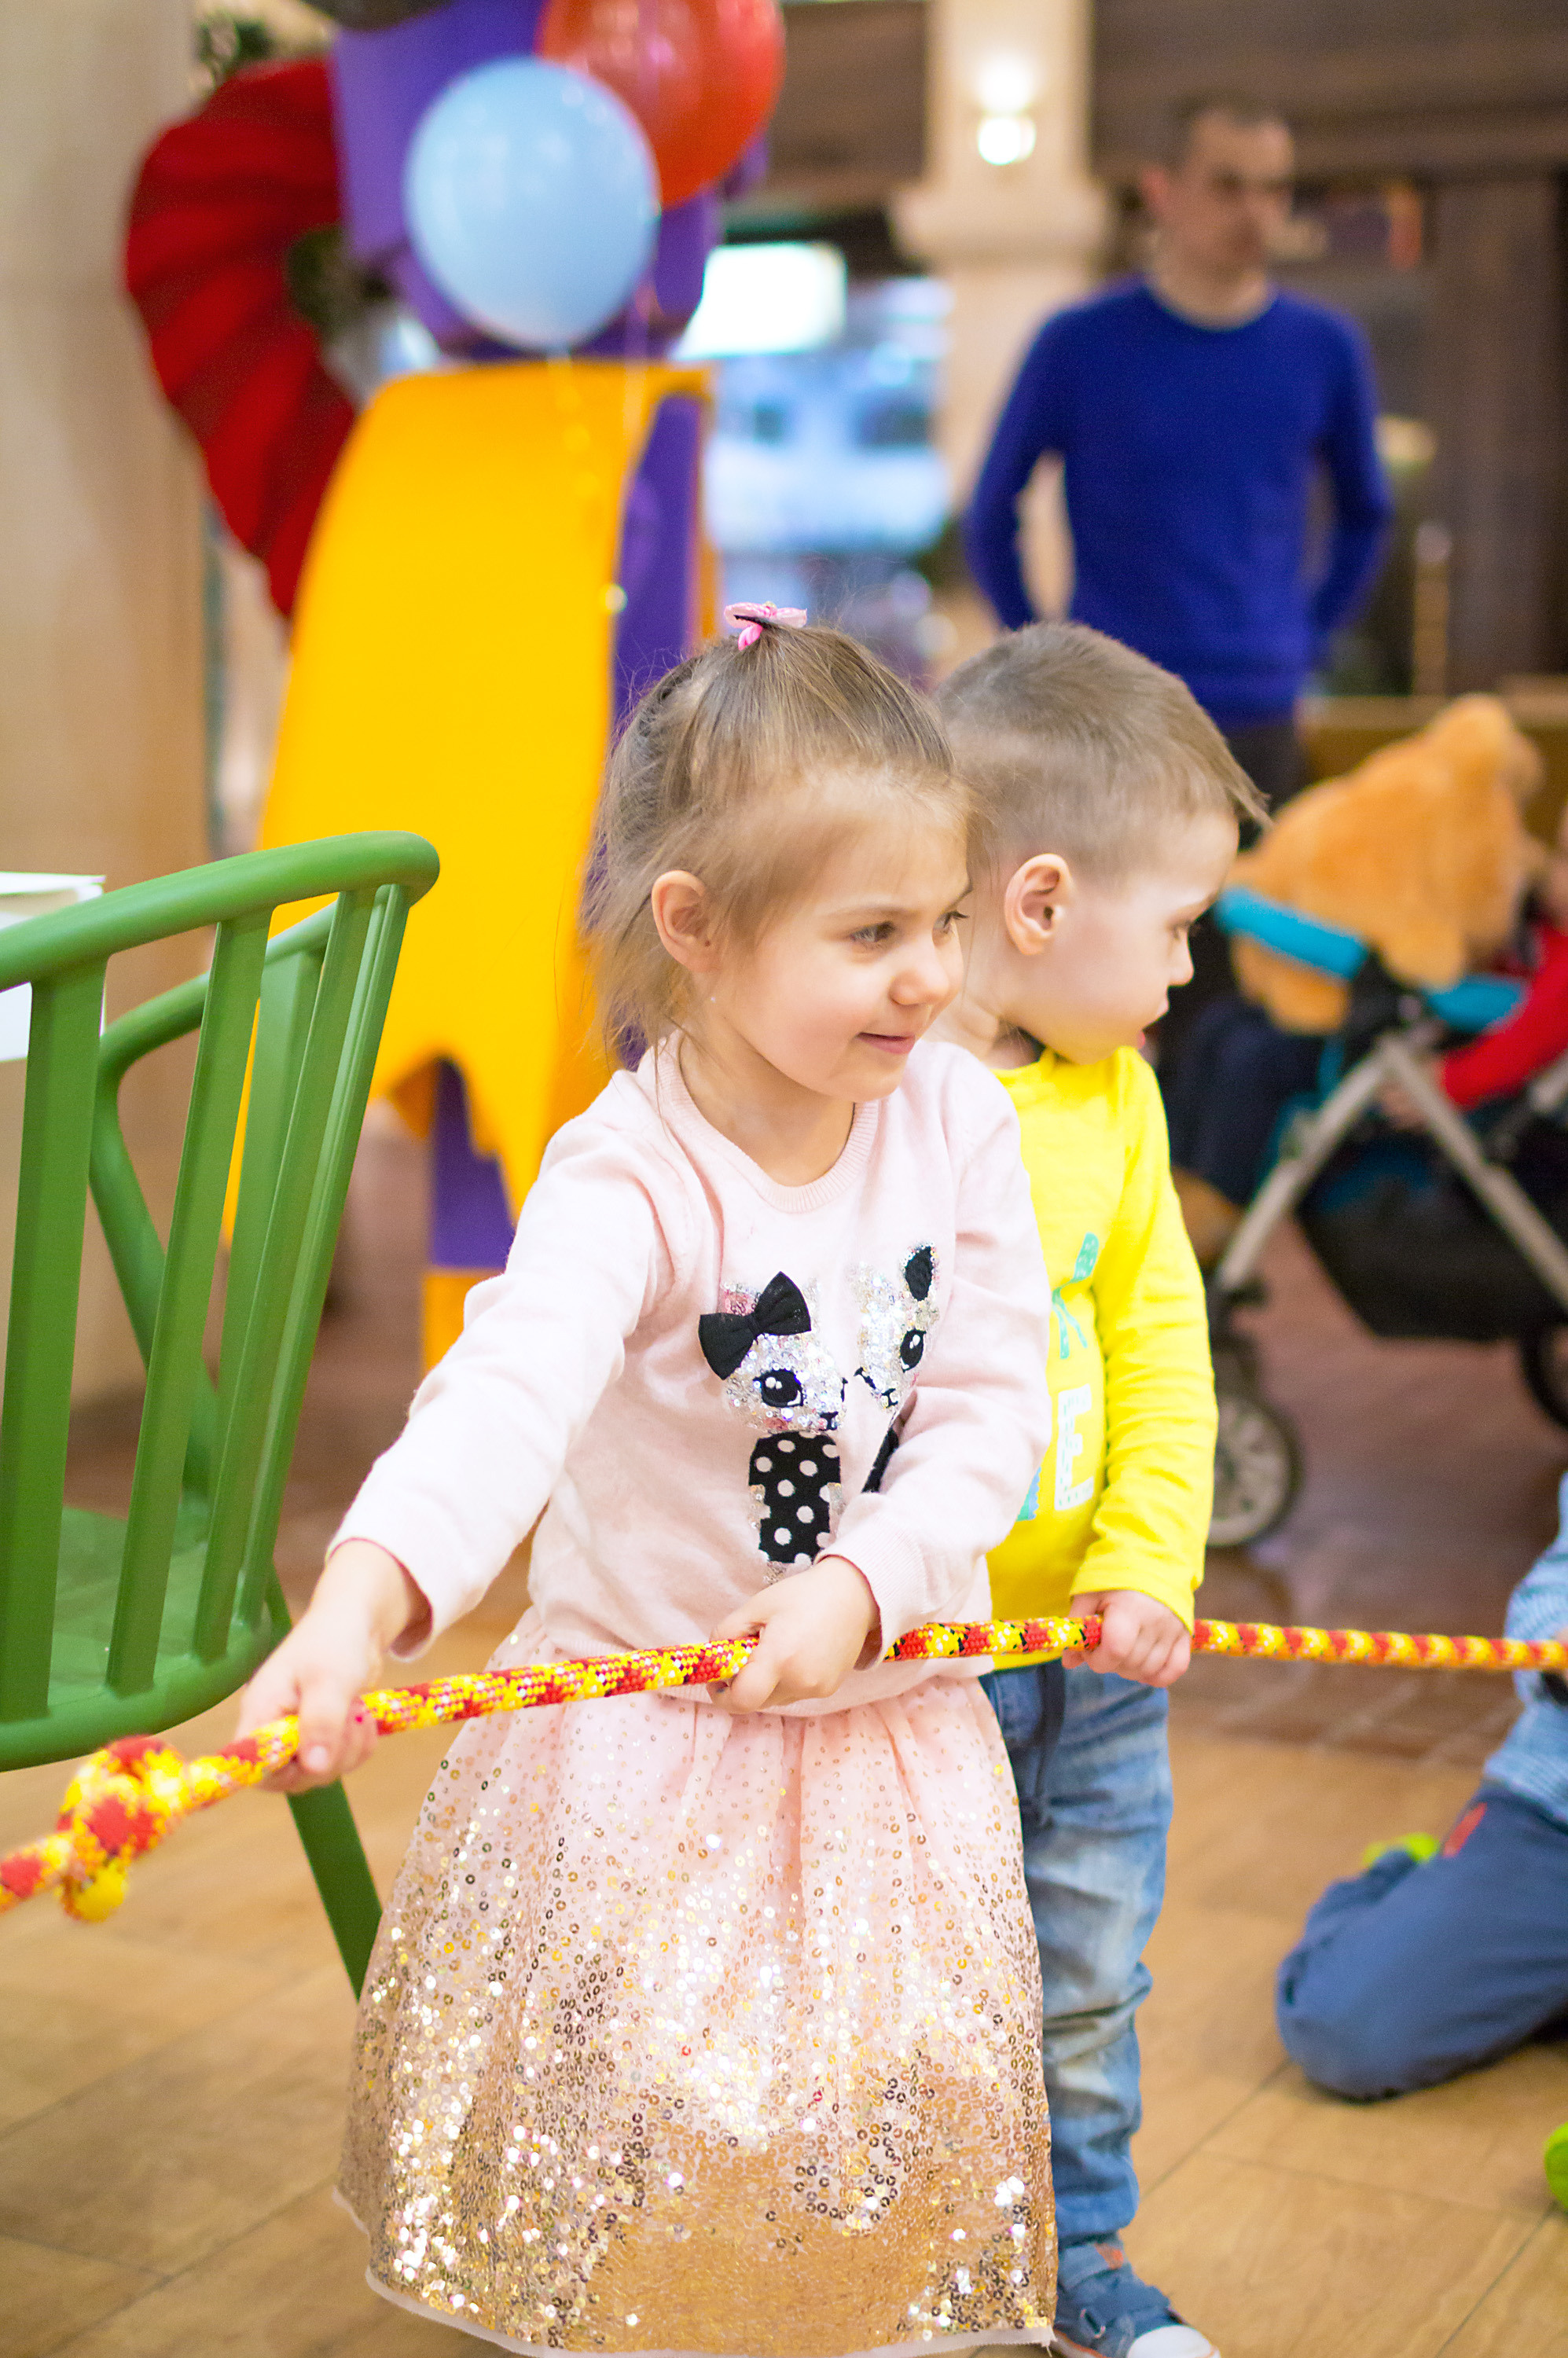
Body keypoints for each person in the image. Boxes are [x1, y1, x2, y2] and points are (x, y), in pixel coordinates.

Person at [237, 612, 1062, 2356]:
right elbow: (502, 1397)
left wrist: (871, 1580)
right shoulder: (627, 1173)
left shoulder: (955, 1122)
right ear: (694, 930)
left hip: (881, 1727)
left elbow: (993, 1410)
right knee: (628, 2132)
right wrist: (358, 1605)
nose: (929, 977)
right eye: (869, 935)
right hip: (644, 1737)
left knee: (851, 2130)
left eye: (940, 922)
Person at [935, 621, 1265, 2358]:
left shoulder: (1117, 1098)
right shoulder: (891, 1108)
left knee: (1079, 1981)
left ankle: (1075, 2264)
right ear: (1044, 905)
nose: (1187, 976)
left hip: (1098, 1665)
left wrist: (1151, 1562)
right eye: (1180, 929)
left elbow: (1161, 1350)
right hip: (919, 1672)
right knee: (913, 1977)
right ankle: (900, 2261)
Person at [964, 95, 1390, 1063]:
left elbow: (1369, 515)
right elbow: (991, 513)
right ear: (1164, 191)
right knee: (1090, 972)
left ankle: (1211, 1199)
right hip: (1111, 714)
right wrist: (1044, 654)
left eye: (1275, 188)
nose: (1255, 210)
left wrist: (1307, 640)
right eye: (1228, 184)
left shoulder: (1324, 349)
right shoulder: (1081, 342)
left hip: (1257, 710)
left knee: (1241, 985)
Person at [1275, 1475, 1568, 2103]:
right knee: (1344, 2033)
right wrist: (1560, 1645)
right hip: (1553, 1819)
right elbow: (1547, 1601)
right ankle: (1405, 1885)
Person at [1165, 822, 1568, 1269]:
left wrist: (1457, 1080)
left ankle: (1215, 1214)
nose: (1553, 873)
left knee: (1255, 1059)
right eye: (1560, 855)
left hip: (1437, 1079)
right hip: (1407, 1039)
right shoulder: (1539, 934)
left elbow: (1533, 1024)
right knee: (1225, 1024)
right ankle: (1174, 1177)